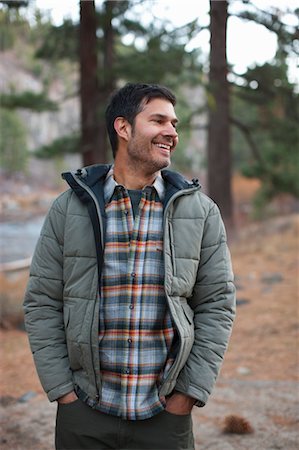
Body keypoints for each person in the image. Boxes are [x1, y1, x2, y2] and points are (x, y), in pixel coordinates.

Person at [24, 82, 236, 450]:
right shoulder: (68, 208)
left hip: (164, 419)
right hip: (84, 414)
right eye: (158, 121)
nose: (172, 132)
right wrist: (63, 393)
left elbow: (217, 305)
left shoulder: (201, 212)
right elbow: (42, 301)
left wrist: (186, 395)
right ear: (123, 128)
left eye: (174, 123)